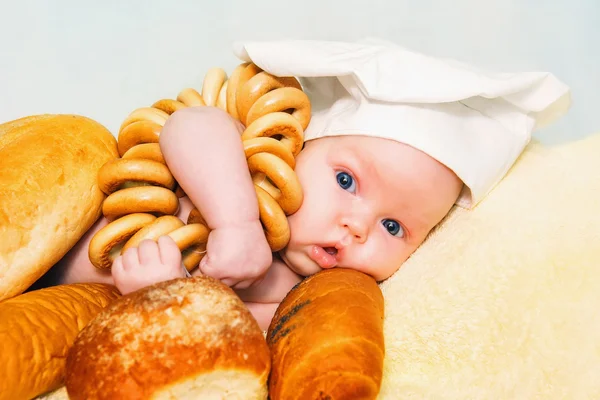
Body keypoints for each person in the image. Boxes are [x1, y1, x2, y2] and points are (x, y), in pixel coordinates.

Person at [39, 39, 569, 331]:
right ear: (300, 148)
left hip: (58, 313)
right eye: (346, 180)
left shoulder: (294, 297)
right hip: (38, 248)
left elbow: (233, 339)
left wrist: (166, 297)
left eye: (394, 226)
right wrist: (235, 220)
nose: (358, 225)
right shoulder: (243, 169)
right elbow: (188, 125)